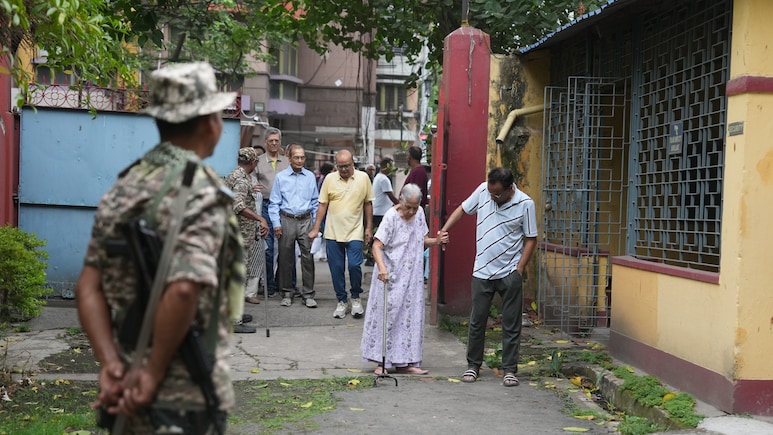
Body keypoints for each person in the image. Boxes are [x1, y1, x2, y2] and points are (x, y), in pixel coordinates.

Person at [75, 62, 242, 433]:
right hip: (182, 395)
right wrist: (151, 375)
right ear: (209, 121)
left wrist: (112, 365)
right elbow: (183, 288)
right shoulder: (202, 191)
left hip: (124, 385)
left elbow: (88, 286)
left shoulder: (124, 186)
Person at [440, 167, 537, 387]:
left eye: (497, 194)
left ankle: (509, 369)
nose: (492, 197)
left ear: (510, 188)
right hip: (482, 271)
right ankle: (473, 365)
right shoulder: (483, 191)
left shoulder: (525, 204)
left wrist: (519, 268)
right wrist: (444, 230)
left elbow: (531, 238)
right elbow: (462, 210)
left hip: (509, 272)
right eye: (491, 192)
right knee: (477, 321)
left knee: (511, 324)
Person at [361, 184, 447, 375]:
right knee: (388, 316)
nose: (411, 211)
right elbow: (376, 246)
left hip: (412, 278)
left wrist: (436, 241)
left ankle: (407, 362)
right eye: (408, 207)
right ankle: (382, 362)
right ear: (401, 200)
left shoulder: (418, 216)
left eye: (415, 208)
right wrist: (382, 269)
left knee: (410, 318)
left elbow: (421, 239)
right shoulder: (391, 217)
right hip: (390, 276)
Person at [309, 149, 375, 319]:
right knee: (336, 269)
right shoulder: (329, 179)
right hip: (332, 233)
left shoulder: (363, 178)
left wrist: (368, 228)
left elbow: (368, 204)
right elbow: (322, 205)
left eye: (347, 166)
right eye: (340, 166)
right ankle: (341, 300)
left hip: (355, 231)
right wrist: (316, 227)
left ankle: (355, 297)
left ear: (353, 163)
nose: (344, 169)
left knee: (354, 266)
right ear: (336, 166)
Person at [268, 144, 319, 308]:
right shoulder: (281, 177)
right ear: (289, 159)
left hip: (305, 220)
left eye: (302, 157)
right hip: (287, 219)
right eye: (296, 157)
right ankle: (287, 292)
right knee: (285, 258)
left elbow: (315, 201)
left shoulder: (310, 176)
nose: (300, 160)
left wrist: (316, 223)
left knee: (308, 257)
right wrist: (276, 223)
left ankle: (308, 294)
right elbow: (274, 203)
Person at [224, 147, 270, 324]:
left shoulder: (234, 175)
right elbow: (238, 206)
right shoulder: (242, 181)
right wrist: (260, 219)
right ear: (253, 163)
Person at [254, 127, 289, 296]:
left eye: (276, 140)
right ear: (265, 142)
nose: (274, 143)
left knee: (285, 246)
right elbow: (250, 181)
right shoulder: (258, 161)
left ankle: (283, 282)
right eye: (271, 141)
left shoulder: (287, 161)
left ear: (280, 142)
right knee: (267, 248)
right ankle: (268, 284)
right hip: (265, 207)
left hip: (284, 207)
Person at [311, 162, 335, 262]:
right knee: (324, 233)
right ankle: (320, 253)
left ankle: (321, 253)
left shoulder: (321, 179)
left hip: (324, 210)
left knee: (323, 234)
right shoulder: (327, 180)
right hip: (325, 210)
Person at [371, 157, 398, 228]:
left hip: (378, 211)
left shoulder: (378, 177)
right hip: (382, 213)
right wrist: (401, 205)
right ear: (386, 166)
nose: (392, 169)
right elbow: (391, 197)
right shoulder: (383, 179)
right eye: (391, 166)